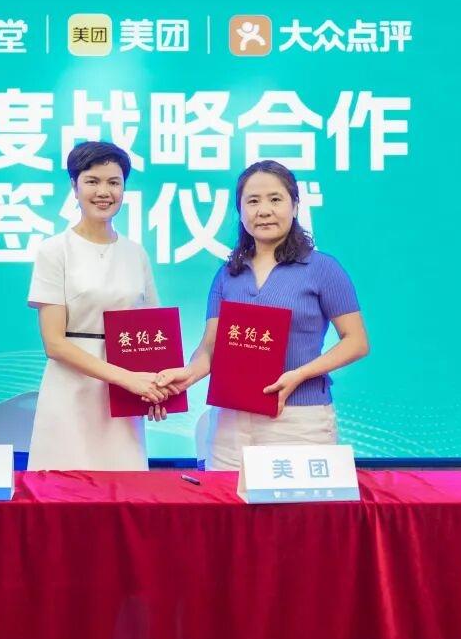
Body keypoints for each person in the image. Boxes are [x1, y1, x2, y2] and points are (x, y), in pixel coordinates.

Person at [155, 160, 369, 470]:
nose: (264, 210)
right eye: (253, 201)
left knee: (296, 504)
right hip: (230, 423)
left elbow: (356, 341)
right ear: (240, 211)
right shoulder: (227, 274)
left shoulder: (323, 268)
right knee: (227, 502)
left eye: (275, 199)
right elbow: (211, 348)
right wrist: (186, 376)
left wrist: (299, 374)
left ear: (295, 206)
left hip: (299, 420)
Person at [26, 141, 167, 470]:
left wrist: (159, 391)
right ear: (74, 187)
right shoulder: (54, 251)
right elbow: (54, 343)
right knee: (64, 489)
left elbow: (155, 332)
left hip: (125, 397)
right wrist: (127, 379)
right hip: (71, 391)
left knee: (125, 488)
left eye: (114, 182)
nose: (104, 192)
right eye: (92, 181)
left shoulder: (136, 253)